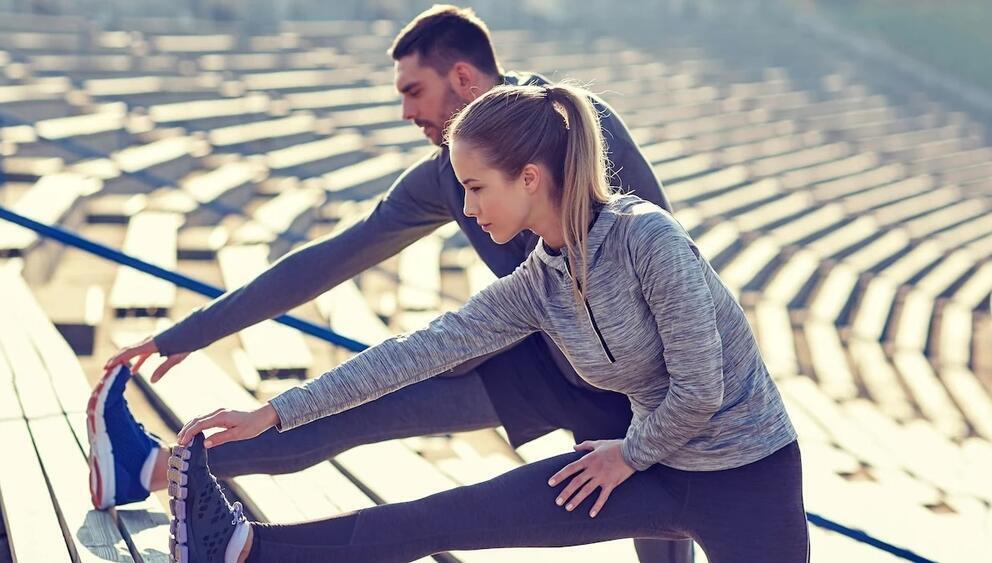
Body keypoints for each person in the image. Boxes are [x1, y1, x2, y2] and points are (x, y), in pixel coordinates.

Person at [92, 4, 692, 561]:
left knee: (665, 531)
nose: (406, 111)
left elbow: (659, 254)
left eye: (414, 91)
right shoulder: (441, 177)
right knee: (351, 411)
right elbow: (329, 260)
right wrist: (188, 334)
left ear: (461, 77)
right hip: (534, 363)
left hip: (634, 378)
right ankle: (149, 470)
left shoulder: (575, 125)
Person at [165, 82, 808, 563]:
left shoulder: (648, 240)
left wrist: (628, 455)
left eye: (476, 188)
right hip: (645, 470)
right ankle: (244, 551)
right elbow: (415, 353)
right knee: (443, 518)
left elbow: (703, 388)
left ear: (529, 178)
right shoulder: (538, 282)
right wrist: (274, 412)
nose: (468, 210)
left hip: (746, 478)